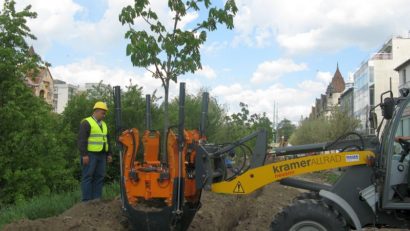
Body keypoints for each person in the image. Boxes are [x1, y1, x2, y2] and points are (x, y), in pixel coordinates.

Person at [78, 101, 113, 202]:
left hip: (102, 155)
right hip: (90, 154)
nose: (104, 115)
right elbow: (81, 140)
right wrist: (84, 155)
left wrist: (109, 154)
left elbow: (107, 140)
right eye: (103, 113)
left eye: (105, 113)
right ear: (96, 111)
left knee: (100, 176)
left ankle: (96, 199)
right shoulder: (86, 122)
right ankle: (86, 201)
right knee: (88, 176)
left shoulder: (104, 125)